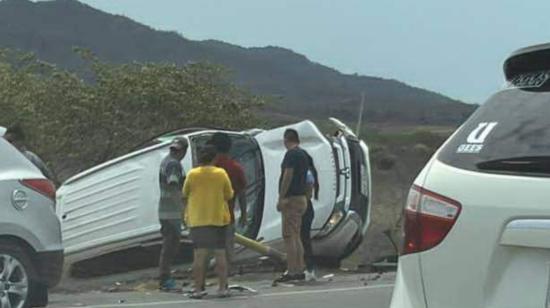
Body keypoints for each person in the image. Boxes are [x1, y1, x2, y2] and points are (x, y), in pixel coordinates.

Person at [183, 145, 233, 299]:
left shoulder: (192, 174)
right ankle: (222, 288)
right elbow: (229, 194)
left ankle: (198, 289)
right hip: (218, 218)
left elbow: (185, 193)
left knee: (199, 255)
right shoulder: (221, 173)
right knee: (220, 254)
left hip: (197, 219)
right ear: (214, 158)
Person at [209, 132, 247, 272]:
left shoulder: (208, 168)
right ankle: (227, 274)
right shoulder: (236, 168)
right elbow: (242, 193)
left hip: (209, 215)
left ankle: (213, 274)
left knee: (211, 249)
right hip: (228, 214)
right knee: (228, 247)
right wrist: (243, 213)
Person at [275, 129, 309, 283]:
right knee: (296, 235)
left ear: (286, 139)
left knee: (289, 236)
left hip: (292, 199)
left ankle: (293, 271)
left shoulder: (291, 155)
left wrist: (282, 197)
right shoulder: (303, 155)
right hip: (301, 198)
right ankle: (300, 268)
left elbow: (288, 175)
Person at [158, 138, 188, 291]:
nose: (174, 152)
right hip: (171, 212)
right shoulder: (173, 164)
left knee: (169, 245)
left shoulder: (166, 161)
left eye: (176, 150)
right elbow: (174, 187)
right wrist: (183, 211)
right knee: (170, 246)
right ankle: (165, 279)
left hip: (165, 210)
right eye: (173, 149)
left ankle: (165, 277)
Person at [302, 152, 319, 282]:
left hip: (305, 208)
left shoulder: (307, 174)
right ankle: (308, 267)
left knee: (304, 239)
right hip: (308, 208)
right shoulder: (310, 173)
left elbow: (308, 194)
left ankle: (309, 268)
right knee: (304, 239)